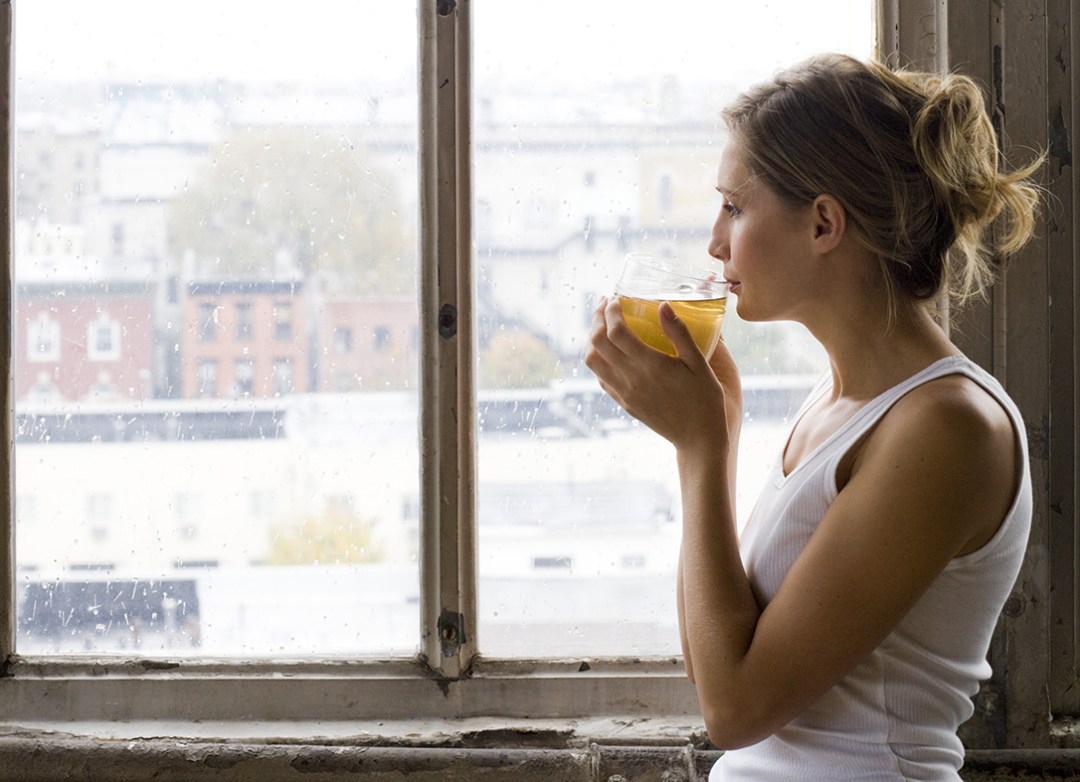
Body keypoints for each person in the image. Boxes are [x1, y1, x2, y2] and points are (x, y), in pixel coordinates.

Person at [585, 53, 1042, 781]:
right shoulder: (834, 406)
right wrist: (719, 435)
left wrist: (700, 453)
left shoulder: (948, 429)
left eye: (734, 207)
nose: (714, 240)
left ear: (824, 222)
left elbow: (733, 715)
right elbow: (715, 670)